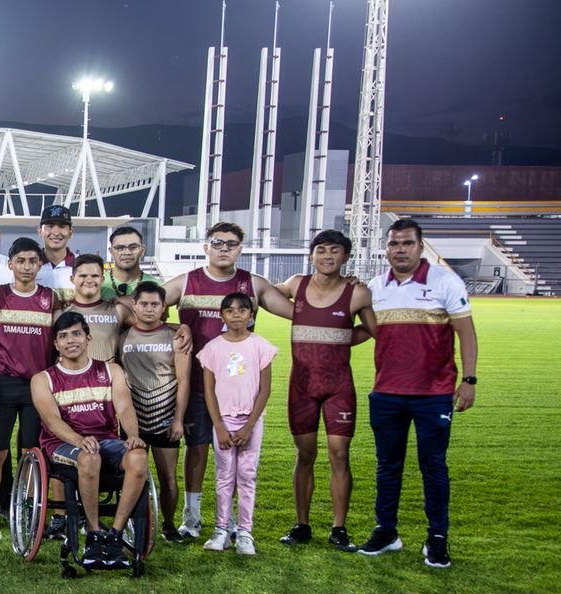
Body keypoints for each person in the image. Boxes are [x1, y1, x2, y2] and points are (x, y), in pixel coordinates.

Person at [157, 222, 292, 538]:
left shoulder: (253, 284)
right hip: (196, 383)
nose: (224, 248)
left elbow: (297, 312)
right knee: (197, 448)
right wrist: (177, 326)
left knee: (235, 454)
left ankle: (228, 519)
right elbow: (147, 307)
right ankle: (191, 518)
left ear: (240, 249)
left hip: (238, 389)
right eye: (217, 243)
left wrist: (321, 287)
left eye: (231, 244)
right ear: (206, 247)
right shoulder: (186, 282)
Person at [358, 217, 478, 567]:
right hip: (386, 393)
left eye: (407, 243)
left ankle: (437, 537)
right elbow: (363, 331)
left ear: (420, 247)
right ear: (386, 249)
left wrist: (469, 380)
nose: (400, 250)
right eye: (394, 243)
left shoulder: (445, 281)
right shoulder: (375, 287)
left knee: (433, 465)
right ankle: (386, 531)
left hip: (434, 394)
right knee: (387, 465)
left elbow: (466, 333)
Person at [271, 230, 374, 551]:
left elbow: (374, 329)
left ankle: (339, 528)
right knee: (305, 454)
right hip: (301, 387)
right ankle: (301, 525)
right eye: (321, 250)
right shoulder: (296, 285)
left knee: (339, 454)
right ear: (311, 255)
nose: (327, 256)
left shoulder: (357, 293)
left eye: (334, 250)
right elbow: (261, 295)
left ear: (345, 256)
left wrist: (340, 339)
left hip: (338, 387)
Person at [31, 311, 150, 569]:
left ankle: (115, 535)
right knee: (89, 458)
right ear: (56, 344)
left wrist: (133, 436)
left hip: (106, 440)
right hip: (63, 444)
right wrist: (79, 440)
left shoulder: (110, 370)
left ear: (88, 338)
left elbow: (125, 408)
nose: (70, 340)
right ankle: (94, 534)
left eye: (76, 334)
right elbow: (52, 421)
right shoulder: (43, 379)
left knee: (139, 457)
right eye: (63, 336)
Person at [0, 237, 58, 537]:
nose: (27, 267)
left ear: (40, 264)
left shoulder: (50, 298)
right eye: (21, 261)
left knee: (31, 451)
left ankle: (27, 509)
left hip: (36, 386)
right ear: (10, 264)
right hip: (2, 384)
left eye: (33, 261)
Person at [197, 293, 278, 555]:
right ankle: (221, 529)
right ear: (221, 314)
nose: (236, 315)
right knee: (224, 476)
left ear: (251, 314)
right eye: (230, 310)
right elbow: (209, 391)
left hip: (250, 422)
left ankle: (245, 532)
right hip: (223, 421)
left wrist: (249, 425)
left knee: (247, 475)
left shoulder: (260, 346)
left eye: (242, 310)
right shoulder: (212, 349)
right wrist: (219, 426)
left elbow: (265, 389)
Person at [116, 281, 191, 542]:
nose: (149, 309)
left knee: (168, 477)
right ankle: (130, 523)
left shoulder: (175, 337)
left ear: (164, 307)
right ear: (134, 305)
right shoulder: (122, 336)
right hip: (132, 418)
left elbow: (184, 381)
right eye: (144, 304)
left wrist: (179, 419)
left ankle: (168, 525)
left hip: (165, 416)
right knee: (129, 474)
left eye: (155, 304)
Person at [64, 254, 125, 362]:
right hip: (71, 372)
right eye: (83, 276)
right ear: (72, 279)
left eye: (95, 276)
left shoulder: (119, 311)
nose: (89, 280)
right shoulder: (61, 312)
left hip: (107, 371)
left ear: (102, 279)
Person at [35, 205, 80, 299]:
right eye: (50, 226)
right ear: (40, 231)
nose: (56, 233)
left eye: (62, 226)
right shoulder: (30, 266)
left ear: (71, 232)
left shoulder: (81, 265)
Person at [103, 226, 148, 301]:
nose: (127, 252)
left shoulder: (159, 285)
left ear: (142, 250)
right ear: (111, 251)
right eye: (119, 248)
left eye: (133, 247)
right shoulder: (97, 284)